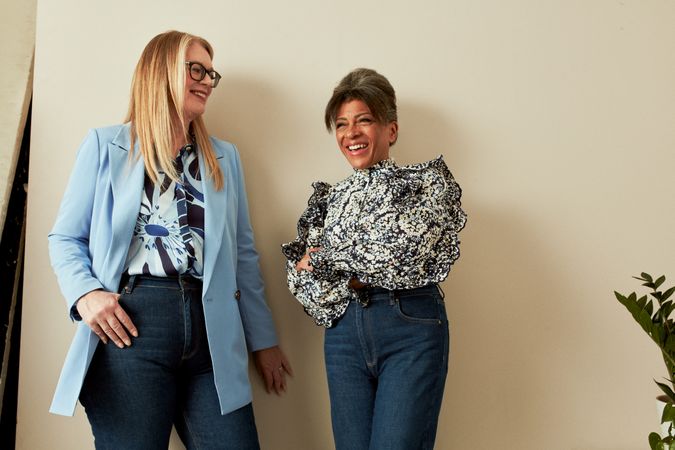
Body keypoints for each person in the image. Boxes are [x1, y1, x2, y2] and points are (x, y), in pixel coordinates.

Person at [48, 30, 291, 449]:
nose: (205, 80)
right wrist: (85, 294)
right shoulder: (106, 147)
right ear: (159, 71)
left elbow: (242, 256)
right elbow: (65, 237)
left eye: (211, 73)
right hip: (132, 326)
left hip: (212, 327)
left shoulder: (223, 158)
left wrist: (263, 340)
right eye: (194, 68)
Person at [282, 68, 466, 450]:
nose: (351, 133)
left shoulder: (424, 186)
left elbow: (399, 255)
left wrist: (326, 262)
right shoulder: (329, 202)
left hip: (409, 328)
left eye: (364, 120)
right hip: (344, 337)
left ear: (391, 130)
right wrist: (351, 263)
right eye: (341, 124)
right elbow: (306, 289)